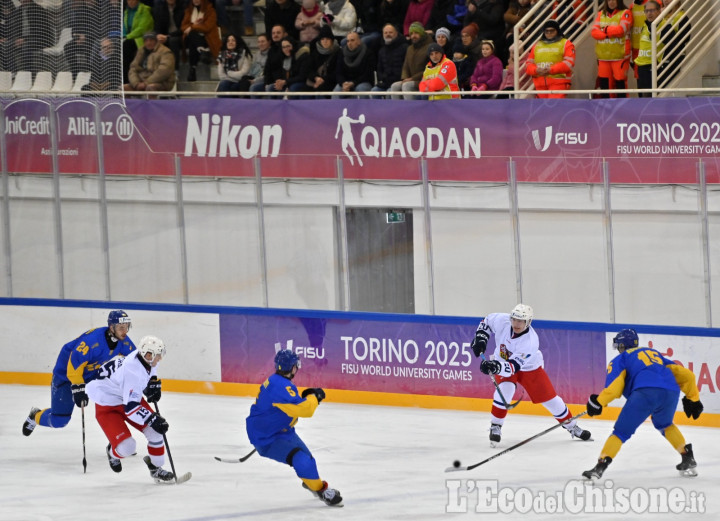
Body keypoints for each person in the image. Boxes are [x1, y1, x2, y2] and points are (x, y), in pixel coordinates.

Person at [581, 329, 703, 480]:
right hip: (670, 392)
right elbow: (687, 375)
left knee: (621, 432)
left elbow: (614, 387)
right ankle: (687, 456)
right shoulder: (655, 354)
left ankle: (600, 466)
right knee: (665, 424)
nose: (619, 349)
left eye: (619, 346)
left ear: (623, 346)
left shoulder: (622, 358)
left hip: (645, 392)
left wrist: (598, 402)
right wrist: (693, 398)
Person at [470, 304, 591, 446]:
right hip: (503, 361)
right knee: (505, 390)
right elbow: (487, 321)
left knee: (550, 399)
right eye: (514, 319)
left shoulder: (530, 341)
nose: (516, 323)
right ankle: (496, 426)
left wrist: (495, 367)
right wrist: (481, 338)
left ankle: (572, 426)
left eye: (520, 321)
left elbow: (513, 367)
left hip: (528, 367)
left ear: (528, 322)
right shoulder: (502, 320)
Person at [246, 349, 342, 507]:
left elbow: (289, 407)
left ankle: (310, 480)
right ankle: (322, 490)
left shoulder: (277, 381)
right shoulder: (280, 386)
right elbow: (305, 410)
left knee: (308, 462)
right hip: (269, 439)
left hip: (280, 431)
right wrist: (314, 397)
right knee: (303, 461)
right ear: (292, 367)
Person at [22, 310, 136, 436]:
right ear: (111, 327)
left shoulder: (122, 340)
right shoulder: (92, 341)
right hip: (66, 376)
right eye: (121, 328)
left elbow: (136, 360)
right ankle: (35, 416)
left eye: (126, 327)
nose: (125, 331)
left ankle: (117, 439)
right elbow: (74, 366)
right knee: (59, 420)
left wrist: (150, 380)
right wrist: (78, 387)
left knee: (115, 397)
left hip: (92, 374)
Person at [86, 335, 174, 483]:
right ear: (148, 354)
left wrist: (151, 384)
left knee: (155, 432)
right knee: (127, 447)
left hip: (127, 396)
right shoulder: (132, 371)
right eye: (158, 356)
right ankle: (112, 453)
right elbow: (131, 408)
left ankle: (155, 469)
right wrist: (152, 418)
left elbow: (149, 374)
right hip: (107, 405)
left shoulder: (146, 359)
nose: (159, 359)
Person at [591, 0, 632, 98]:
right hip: (603, 57)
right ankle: (607, 110)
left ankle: (621, 109)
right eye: (609, 0)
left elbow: (621, 30)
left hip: (619, 56)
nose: (611, 2)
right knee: (605, 87)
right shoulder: (601, 14)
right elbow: (594, 32)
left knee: (620, 85)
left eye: (614, 0)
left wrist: (604, 29)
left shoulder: (626, 13)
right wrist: (608, 35)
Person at [526, 19, 575, 98]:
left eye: (551, 31)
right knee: (544, 110)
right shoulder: (537, 45)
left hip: (558, 82)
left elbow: (569, 63)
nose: (549, 33)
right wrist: (536, 70)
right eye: (546, 31)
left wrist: (550, 70)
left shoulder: (566, 43)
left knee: (554, 109)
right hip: (539, 83)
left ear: (557, 31)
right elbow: (528, 64)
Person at [635, 1, 671, 97]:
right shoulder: (645, 25)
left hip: (654, 67)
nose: (649, 13)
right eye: (646, 11)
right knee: (644, 98)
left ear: (659, 11)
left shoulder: (665, 26)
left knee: (654, 98)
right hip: (642, 66)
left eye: (652, 10)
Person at [181, 0, 222, 82]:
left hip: (207, 38)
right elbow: (183, 27)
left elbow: (207, 27)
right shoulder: (189, 10)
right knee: (193, 36)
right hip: (193, 37)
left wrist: (193, 27)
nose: (195, 0)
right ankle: (203, 51)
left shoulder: (211, 11)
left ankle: (192, 68)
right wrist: (194, 27)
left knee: (193, 41)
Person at [389, 21, 431, 99]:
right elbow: (406, 66)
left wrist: (412, 78)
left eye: (416, 33)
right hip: (411, 79)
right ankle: (397, 110)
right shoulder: (410, 48)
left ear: (421, 33)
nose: (413, 36)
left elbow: (429, 69)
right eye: (411, 33)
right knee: (394, 86)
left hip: (424, 80)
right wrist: (405, 78)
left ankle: (410, 110)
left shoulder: (429, 47)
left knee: (406, 85)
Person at [122, 0, 155, 84]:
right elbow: (124, 27)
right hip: (129, 39)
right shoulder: (126, 12)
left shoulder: (145, 10)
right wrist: (123, 36)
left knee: (126, 46)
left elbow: (142, 29)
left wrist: (127, 37)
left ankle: (126, 80)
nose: (130, 2)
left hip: (142, 39)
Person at [333, 31, 375, 96]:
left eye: (352, 40)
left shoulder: (368, 53)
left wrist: (353, 83)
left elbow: (367, 74)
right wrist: (343, 83)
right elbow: (338, 72)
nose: (349, 43)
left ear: (359, 41)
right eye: (348, 41)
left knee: (361, 89)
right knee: (337, 91)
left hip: (363, 82)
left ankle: (362, 106)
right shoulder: (342, 53)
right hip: (346, 82)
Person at [372, 23, 408, 94]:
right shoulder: (381, 50)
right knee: (374, 91)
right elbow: (379, 69)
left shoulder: (405, 47)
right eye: (385, 33)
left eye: (390, 32)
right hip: (385, 82)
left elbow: (406, 67)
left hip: (399, 81)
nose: (388, 34)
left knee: (389, 92)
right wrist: (383, 78)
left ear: (396, 33)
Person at [304, 25, 340, 95]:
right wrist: (316, 78)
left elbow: (337, 72)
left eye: (327, 39)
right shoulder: (315, 52)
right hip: (315, 80)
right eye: (323, 39)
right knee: (303, 91)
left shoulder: (338, 52)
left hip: (331, 82)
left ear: (332, 40)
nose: (325, 41)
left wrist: (323, 80)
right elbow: (308, 69)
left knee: (320, 91)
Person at [153, 0, 187, 71]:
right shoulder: (160, 8)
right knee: (153, 41)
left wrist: (168, 36)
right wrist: (159, 35)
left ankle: (175, 71)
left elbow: (183, 28)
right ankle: (156, 72)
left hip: (181, 36)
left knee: (173, 41)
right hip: (165, 36)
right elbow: (157, 25)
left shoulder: (183, 7)